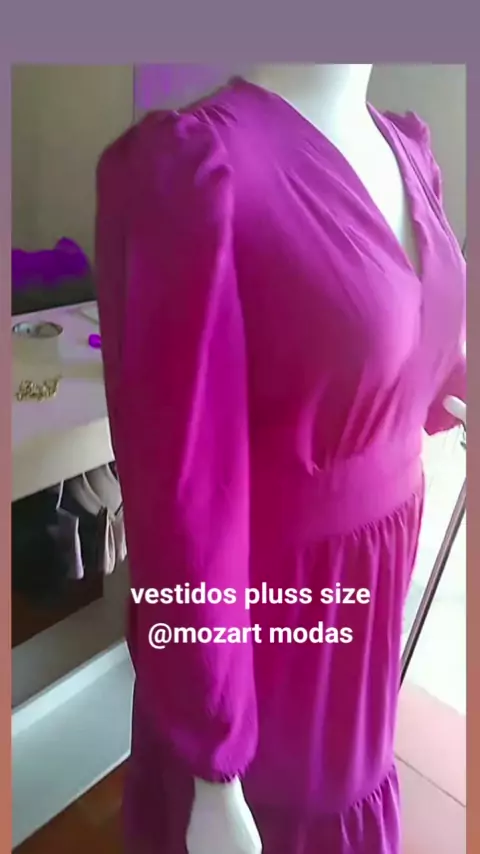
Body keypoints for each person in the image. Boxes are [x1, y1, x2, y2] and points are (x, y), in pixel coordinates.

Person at [95, 64, 466, 854]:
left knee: (352, 781)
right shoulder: (199, 171)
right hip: (271, 612)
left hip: (367, 598)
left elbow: (413, 347)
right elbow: (181, 498)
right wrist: (213, 770)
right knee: (294, 805)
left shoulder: (405, 149)